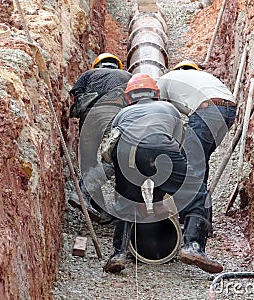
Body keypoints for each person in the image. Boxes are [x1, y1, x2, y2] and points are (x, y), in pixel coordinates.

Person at [102, 73, 224, 274]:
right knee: (197, 194)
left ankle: (118, 254)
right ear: (156, 94)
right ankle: (193, 246)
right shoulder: (169, 109)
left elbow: (114, 141)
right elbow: (176, 145)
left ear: (130, 97)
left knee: (126, 201)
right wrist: (162, 197)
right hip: (162, 147)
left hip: (126, 151)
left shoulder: (122, 114)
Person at [157, 60, 237, 227]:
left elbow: (160, 114)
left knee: (191, 167)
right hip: (228, 111)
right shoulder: (205, 78)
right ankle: (203, 221)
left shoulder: (165, 79)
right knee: (200, 163)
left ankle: (192, 222)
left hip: (207, 109)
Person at [68, 53, 132, 224]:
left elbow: (76, 95)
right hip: (113, 113)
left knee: (88, 161)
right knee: (114, 159)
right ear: (117, 66)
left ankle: (96, 207)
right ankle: (119, 208)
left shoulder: (87, 75)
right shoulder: (127, 76)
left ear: (97, 65)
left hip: (88, 118)